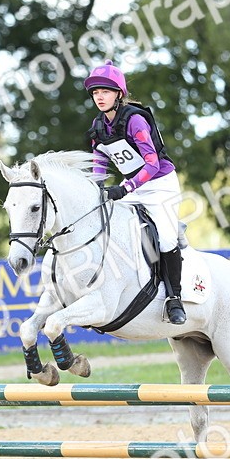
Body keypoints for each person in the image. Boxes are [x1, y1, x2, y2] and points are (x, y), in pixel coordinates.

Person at [84, 60, 186, 325]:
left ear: (118, 93)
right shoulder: (98, 126)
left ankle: (175, 298)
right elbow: (99, 164)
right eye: (95, 92)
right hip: (134, 186)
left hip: (160, 184)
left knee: (165, 238)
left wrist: (124, 188)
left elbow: (152, 163)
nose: (99, 97)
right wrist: (97, 189)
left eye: (105, 91)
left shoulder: (135, 119)